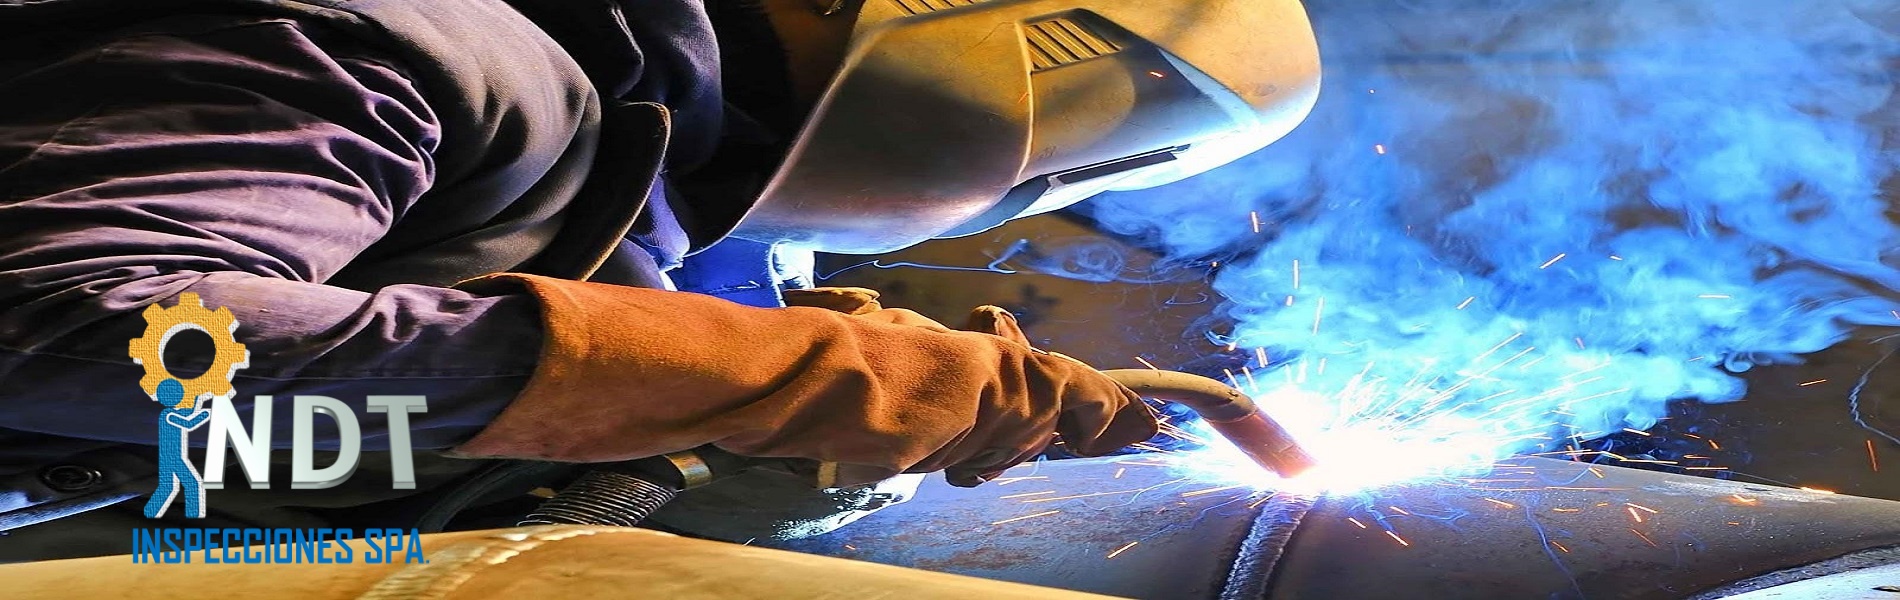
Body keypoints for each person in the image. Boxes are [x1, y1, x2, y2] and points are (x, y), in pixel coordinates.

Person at [0, 0, 1319, 560]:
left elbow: (303, 450)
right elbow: (59, 329)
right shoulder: (398, 40)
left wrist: (734, 425)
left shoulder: (635, 179)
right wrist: (755, 378)